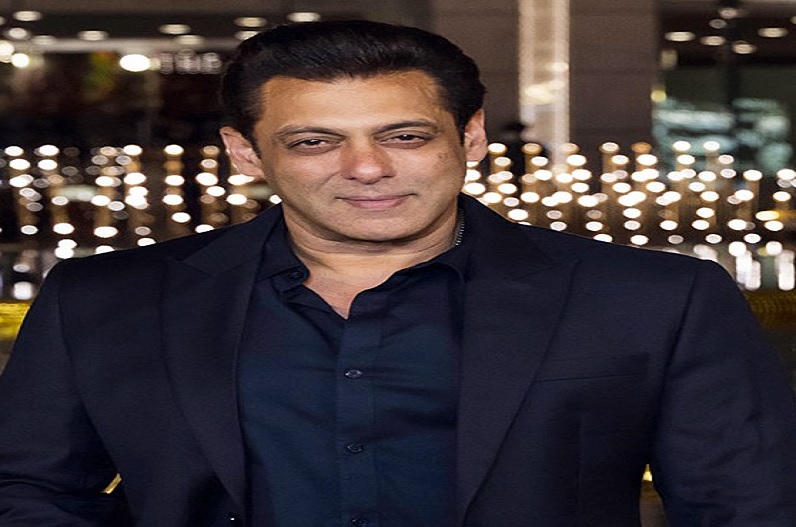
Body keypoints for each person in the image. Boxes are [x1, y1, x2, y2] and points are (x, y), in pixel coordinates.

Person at [0, 20, 794, 527]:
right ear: (247, 153)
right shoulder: (104, 300)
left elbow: (748, 505)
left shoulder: (654, 300)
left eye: (405, 135)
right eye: (314, 141)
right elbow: (29, 490)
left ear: (470, 136)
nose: (367, 168)